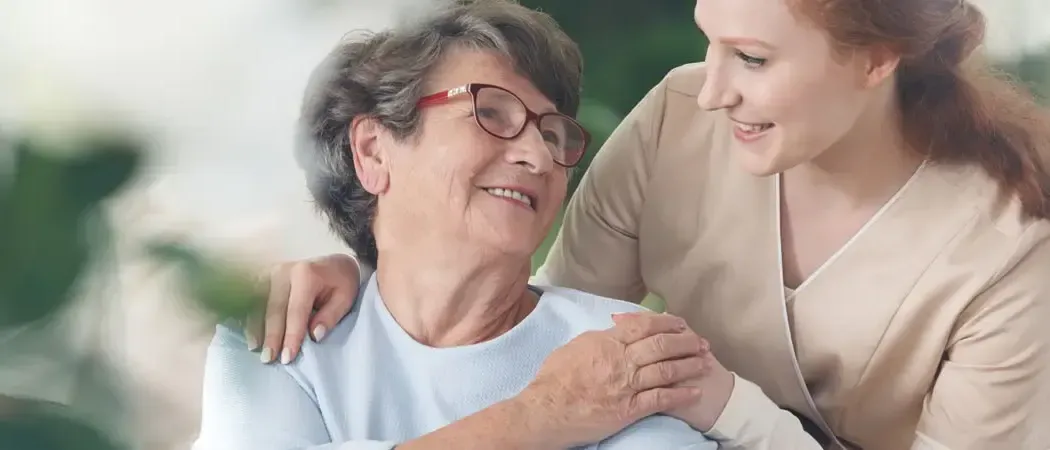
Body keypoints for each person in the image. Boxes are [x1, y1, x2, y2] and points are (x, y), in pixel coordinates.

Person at [253, 0, 1050, 448]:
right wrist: (371, 269)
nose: (709, 91)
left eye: (753, 58)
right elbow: (532, 338)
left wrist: (724, 405)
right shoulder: (679, 118)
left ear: (876, 59)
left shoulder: (1007, 253)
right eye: (709, 41)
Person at [193, 1, 723, 449]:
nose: (538, 157)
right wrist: (538, 417)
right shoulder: (278, 332)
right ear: (373, 151)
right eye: (491, 113)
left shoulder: (624, 356)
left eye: (554, 133)